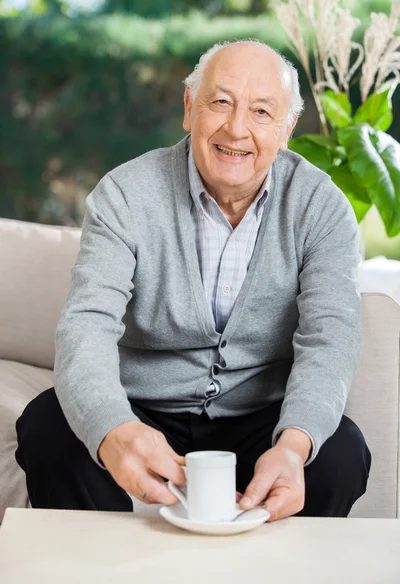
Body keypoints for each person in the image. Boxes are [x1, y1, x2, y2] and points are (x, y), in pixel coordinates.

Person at [15, 40, 371, 522]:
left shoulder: (321, 208)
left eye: (262, 112)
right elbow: (86, 325)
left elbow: (330, 340)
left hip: (261, 417)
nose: (236, 128)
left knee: (342, 454)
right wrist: (114, 426)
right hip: (142, 406)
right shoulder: (125, 195)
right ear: (189, 108)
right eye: (220, 102)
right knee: (48, 427)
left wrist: (293, 444)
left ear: (286, 130)